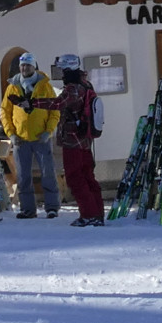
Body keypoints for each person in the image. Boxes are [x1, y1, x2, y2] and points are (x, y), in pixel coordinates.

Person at [1, 52, 61, 218]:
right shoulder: (12, 87)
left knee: (48, 173)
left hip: (41, 137)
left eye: (28, 65)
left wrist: (48, 131)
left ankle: (52, 207)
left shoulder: (45, 86)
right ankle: (27, 209)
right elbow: (5, 112)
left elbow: (54, 110)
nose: (24, 68)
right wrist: (11, 134)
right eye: (22, 65)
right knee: (23, 176)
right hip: (21, 139)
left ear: (34, 66)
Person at [53, 55, 106, 225]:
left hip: (73, 139)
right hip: (85, 139)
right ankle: (97, 213)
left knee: (75, 177)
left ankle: (89, 214)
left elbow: (56, 104)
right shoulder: (86, 84)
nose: (61, 73)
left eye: (62, 69)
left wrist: (31, 104)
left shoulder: (73, 88)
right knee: (88, 175)